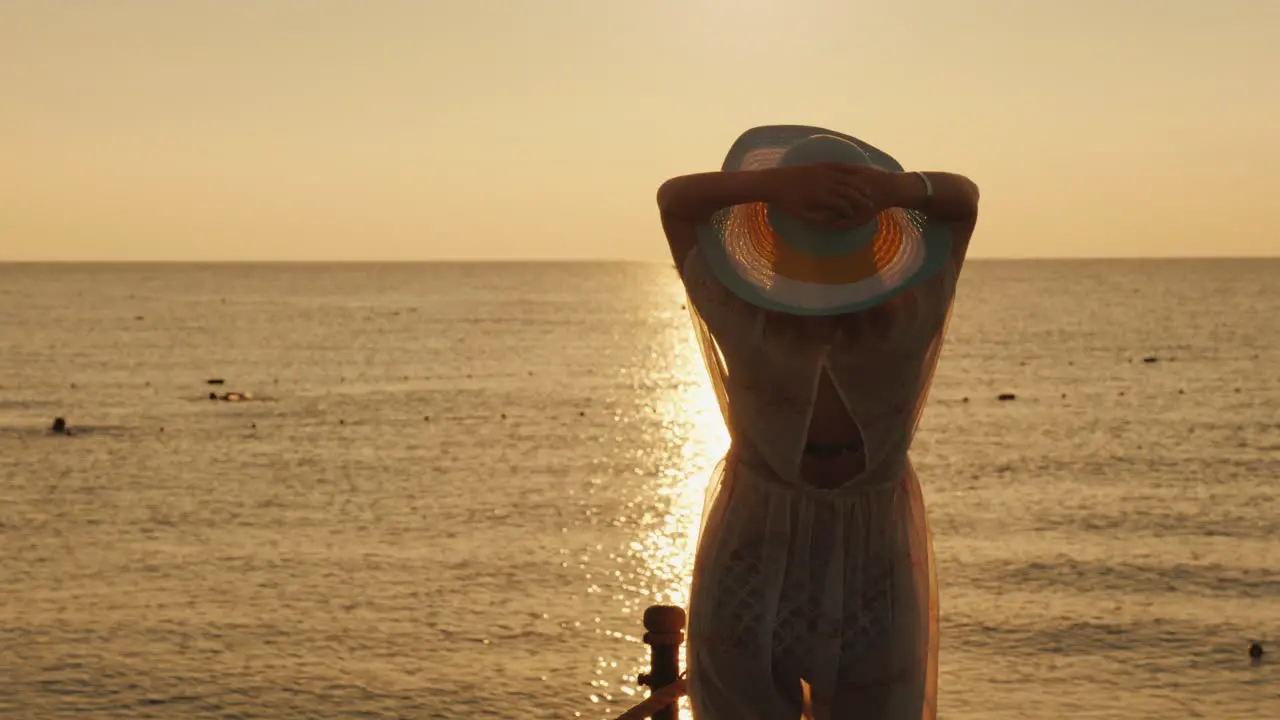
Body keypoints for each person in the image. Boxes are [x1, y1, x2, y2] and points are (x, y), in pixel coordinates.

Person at [656, 126, 979, 719]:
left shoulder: (913, 306)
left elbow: (965, 198)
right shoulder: (743, 311)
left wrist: (887, 190)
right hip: (757, 531)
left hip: (871, 543)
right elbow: (672, 199)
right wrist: (778, 186)